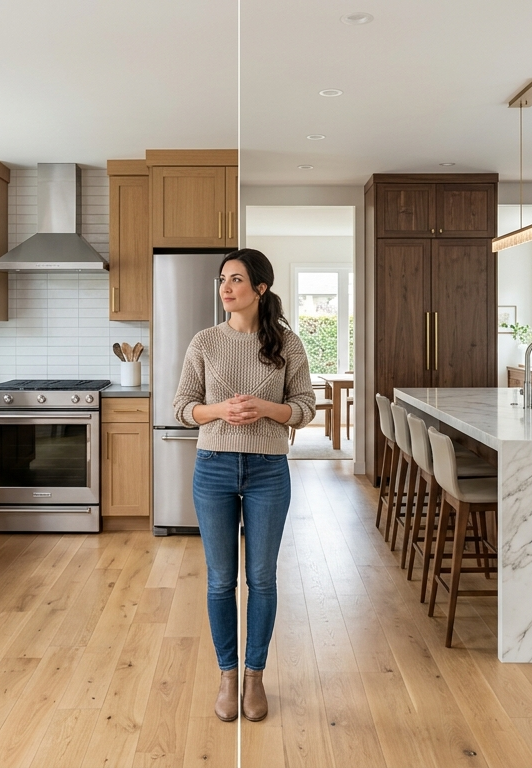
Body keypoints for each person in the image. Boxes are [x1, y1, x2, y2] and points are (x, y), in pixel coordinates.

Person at [172, 248, 316, 722]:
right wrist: (220, 411)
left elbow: (306, 407)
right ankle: (227, 676)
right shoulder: (205, 342)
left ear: (260, 288)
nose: (226, 288)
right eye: (222, 279)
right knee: (220, 580)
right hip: (213, 467)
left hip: (268, 470)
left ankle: (254, 677)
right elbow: (182, 407)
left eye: (235, 279)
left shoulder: (287, 344)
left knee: (262, 578)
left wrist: (267, 409)